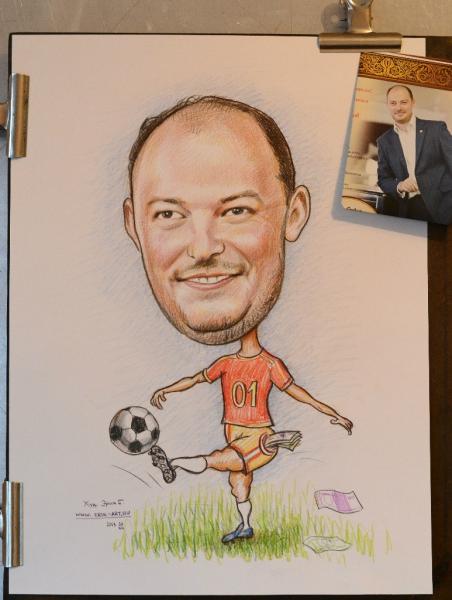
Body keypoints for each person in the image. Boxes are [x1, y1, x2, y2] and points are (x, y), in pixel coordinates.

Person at [123, 96, 353, 543]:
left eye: (236, 211)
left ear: (294, 214)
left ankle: (207, 460)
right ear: (135, 227)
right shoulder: (227, 366)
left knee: (225, 462)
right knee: (237, 482)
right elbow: (197, 380)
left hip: (254, 439)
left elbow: (298, 393)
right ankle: (245, 522)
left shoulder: (281, 361)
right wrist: (169, 390)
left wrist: (332, 415)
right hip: (241, 439)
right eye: (168, 214)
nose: (203, 247)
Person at [377, 84, 452, 225]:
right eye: (393, 103)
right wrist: (400, 185)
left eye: (403, 102)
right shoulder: (384, 141)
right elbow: (383, 179)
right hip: (407, 211)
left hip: (443, 207)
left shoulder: (436, 129)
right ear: (387, 106)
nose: (398, 108)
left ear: (413, 103)